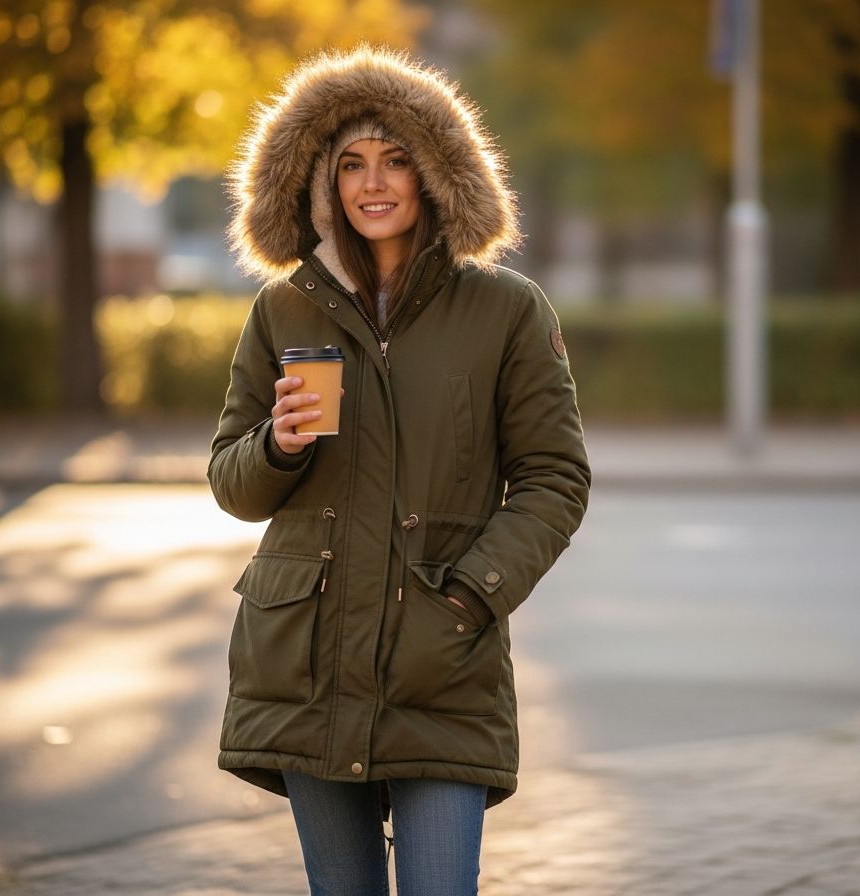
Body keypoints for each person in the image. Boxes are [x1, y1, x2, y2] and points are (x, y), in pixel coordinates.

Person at [208, 46, 591, 895]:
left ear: (435, 175)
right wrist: (278, 444)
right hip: (306, 667)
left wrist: (471, 594)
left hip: (441, 666)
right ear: (320, 180)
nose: (372, 183)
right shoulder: (284, 308)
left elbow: (555, 478)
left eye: (395, 160)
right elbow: (231, 481)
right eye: (351, 164)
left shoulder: (507, 310)